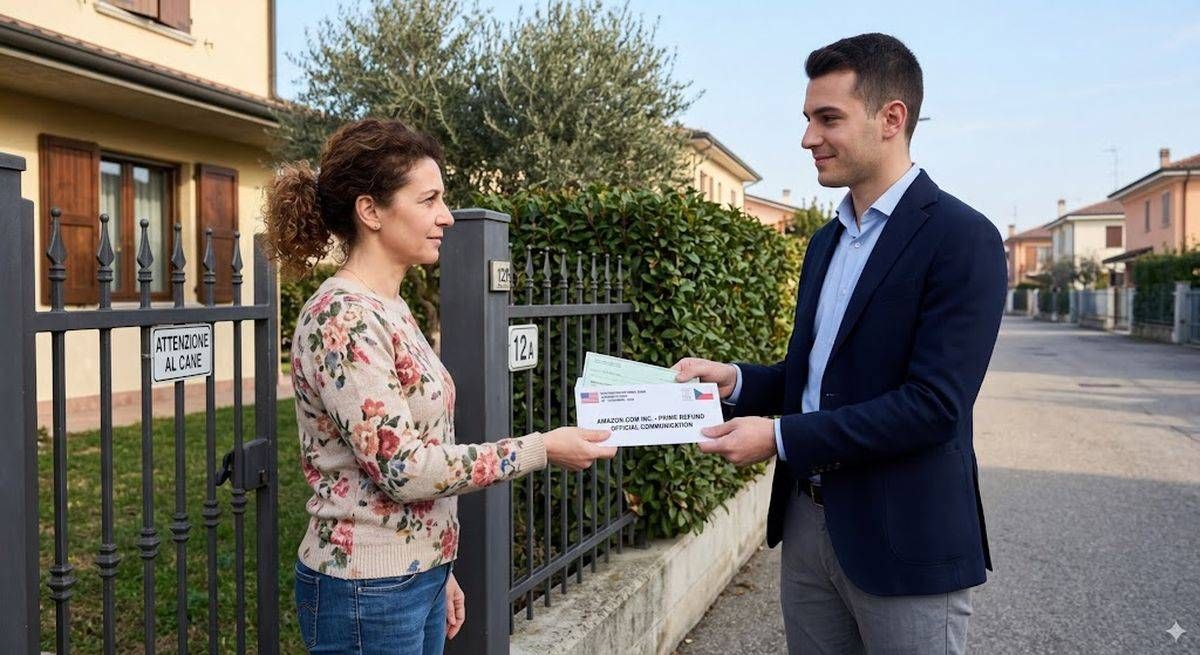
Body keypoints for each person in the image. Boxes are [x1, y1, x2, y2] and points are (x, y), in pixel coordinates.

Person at [673, 33, 1006, 654]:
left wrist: (779, 437)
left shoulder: (963, 238)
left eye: (828, 119)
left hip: (905, 542)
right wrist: (738, 381)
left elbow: (934, 406)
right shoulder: (826, 242)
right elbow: (819, 378)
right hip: (807, 527)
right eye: (807, 119)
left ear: (891, 119)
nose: (808, 138)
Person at [264, 118, 616, 655]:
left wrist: (438, 564)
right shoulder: (343, 318)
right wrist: (541, 448)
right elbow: (404, 469)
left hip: (414, 576)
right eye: (428, 200)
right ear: (371, 211)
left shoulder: (391, 306)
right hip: (368, 591)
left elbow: (421, 445)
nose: (446, 216)